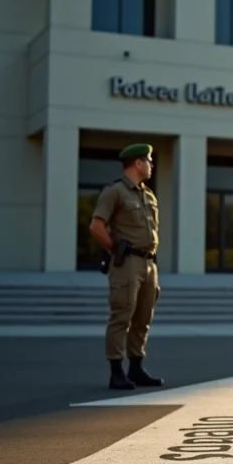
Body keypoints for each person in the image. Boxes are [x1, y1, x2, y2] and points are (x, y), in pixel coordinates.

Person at [88, 143, 164, 391]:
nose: (152, 165)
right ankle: (116, 372)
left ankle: (136, 367)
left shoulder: (148, 195)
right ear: (137, 163)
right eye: (149, 161)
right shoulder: (115, 192)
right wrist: (114, 248)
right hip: (127, 262)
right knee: (122, 316)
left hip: (149, 263)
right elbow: (96, 226)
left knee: (143, 318)